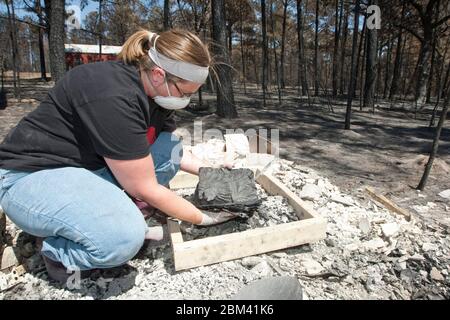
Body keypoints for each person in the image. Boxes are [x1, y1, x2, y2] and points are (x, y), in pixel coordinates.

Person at [0, 29, 235, 283]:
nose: (187, 100)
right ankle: (58, 252)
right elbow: (145, 187)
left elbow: (171, 154)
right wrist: (202, 217)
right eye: (185, 93)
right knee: (122, 239)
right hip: (30, 178)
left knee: (168, 146)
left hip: (84, 168)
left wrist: (209, 170)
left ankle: (102, 216)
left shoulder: (155, 94)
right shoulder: (113, 95)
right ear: (159, 75)